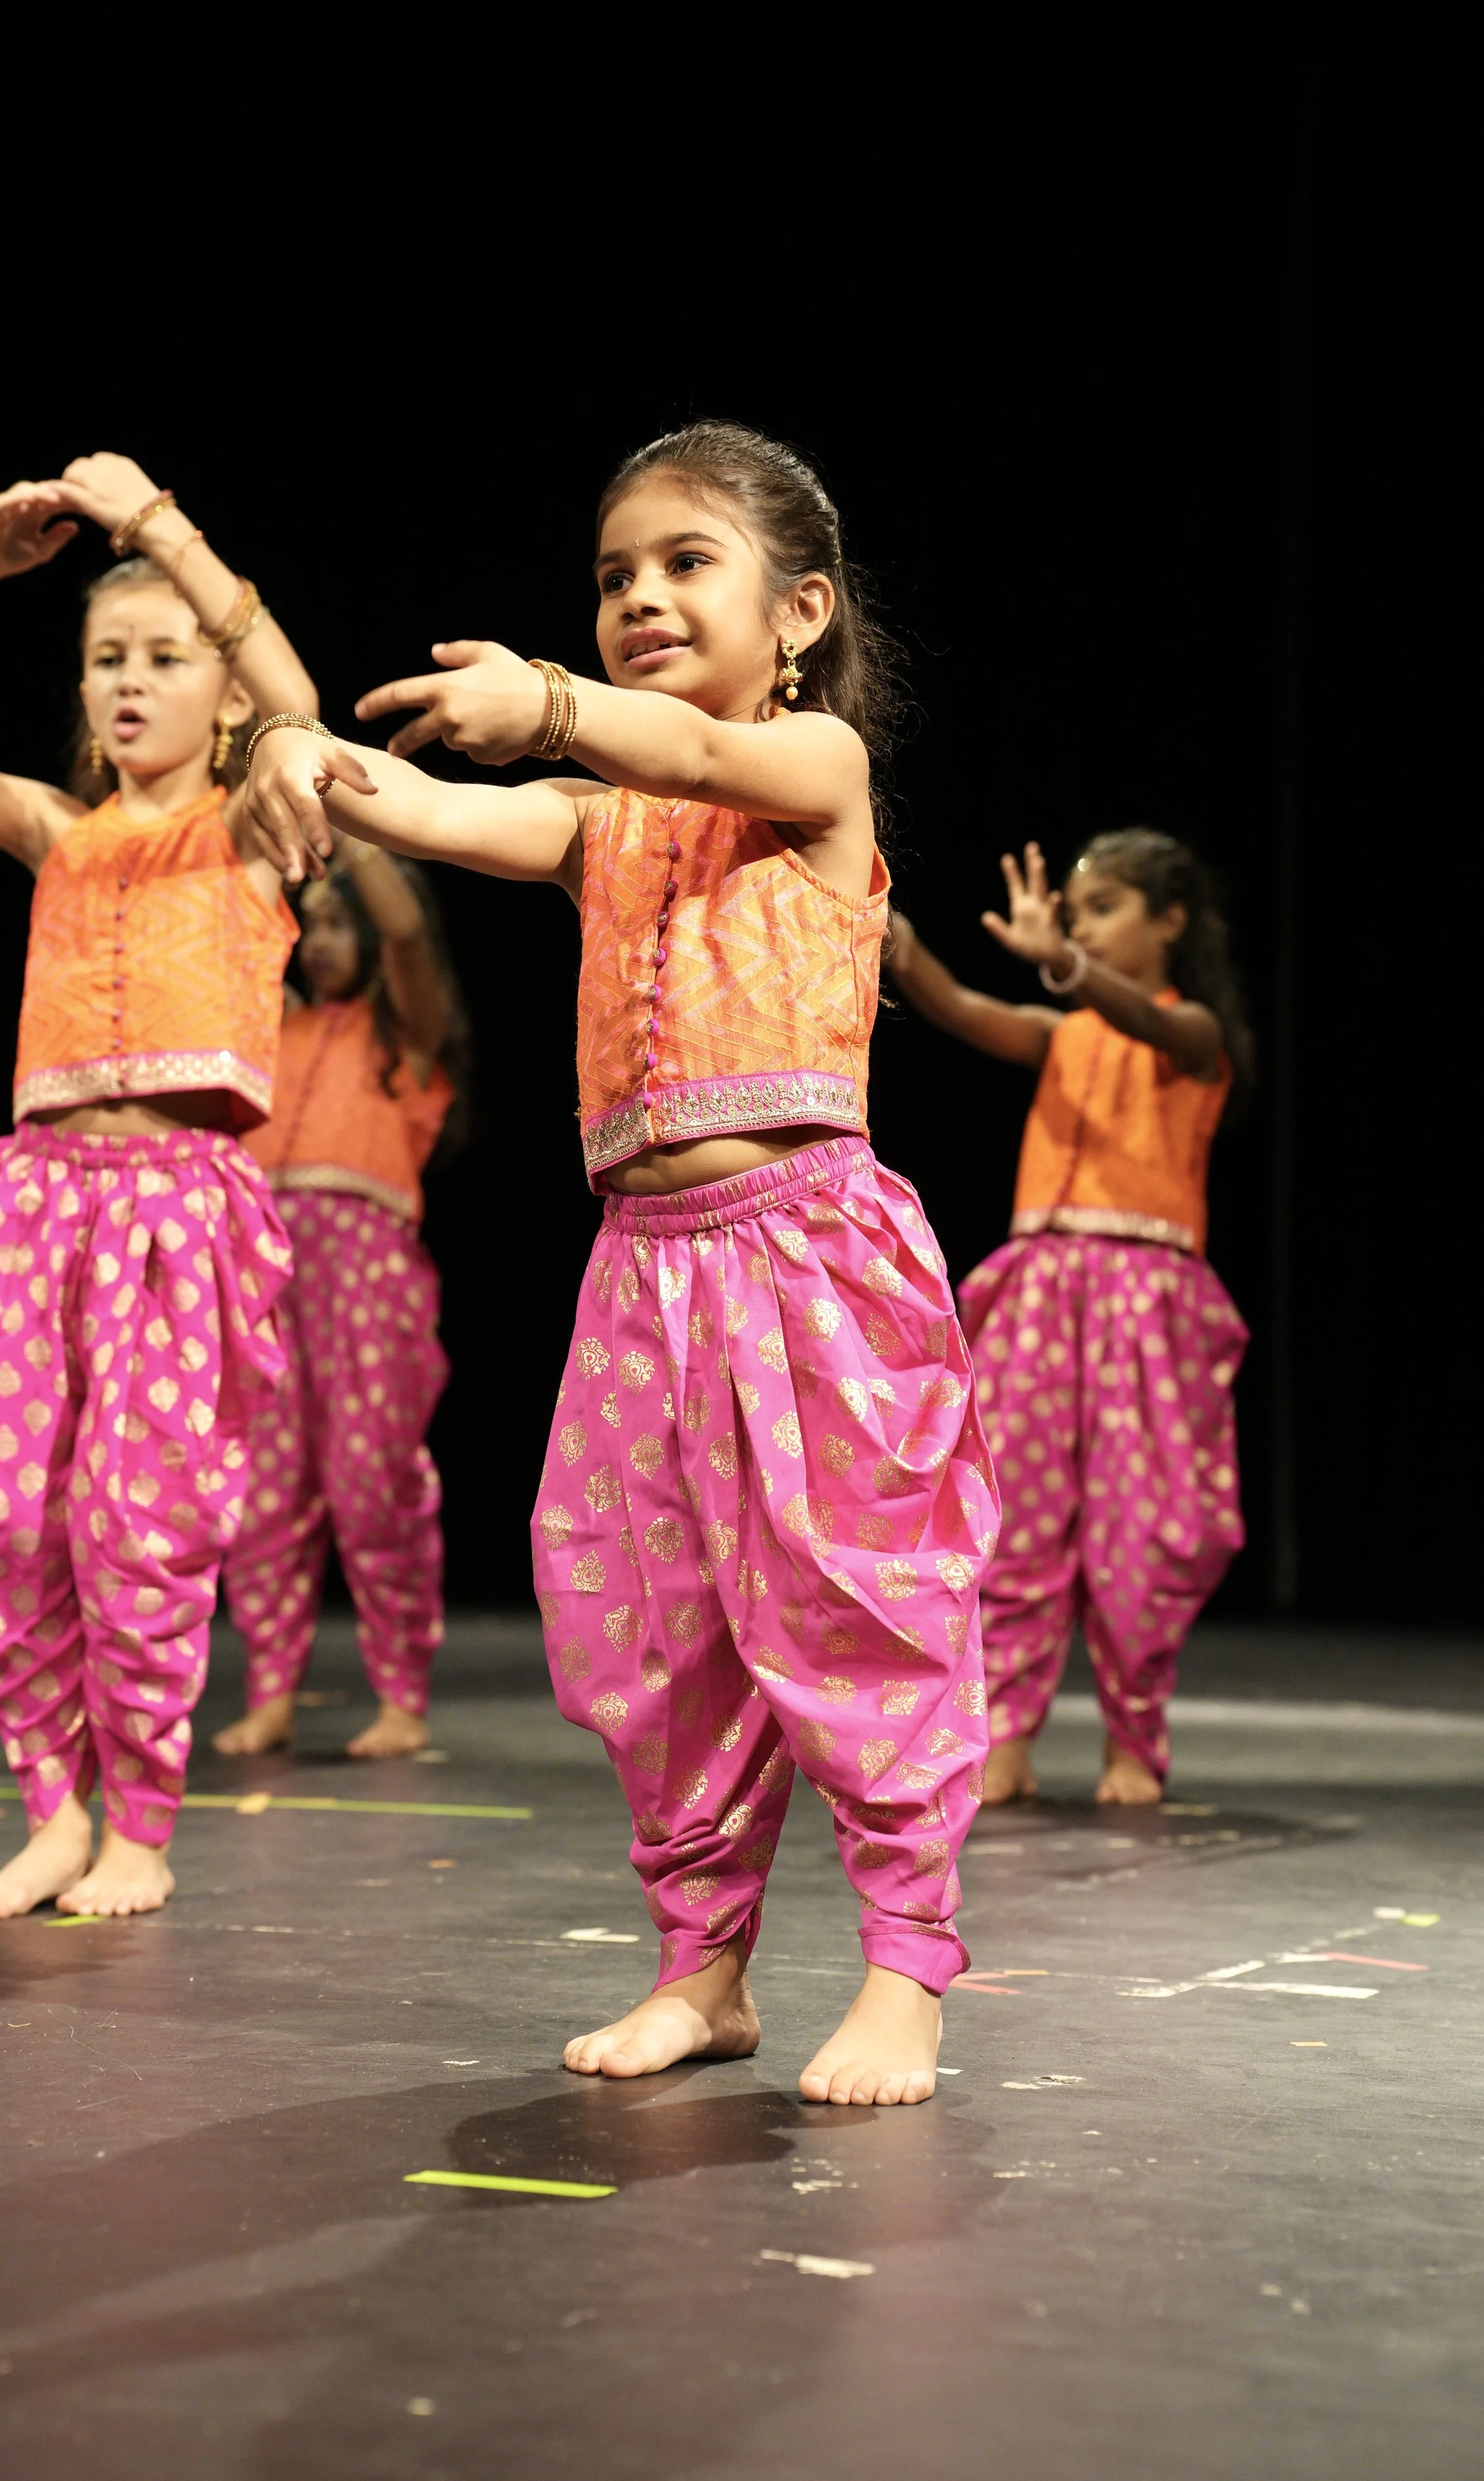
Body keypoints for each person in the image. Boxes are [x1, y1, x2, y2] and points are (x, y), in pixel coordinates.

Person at [243, 421, 999, 2107]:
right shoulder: (601, 822)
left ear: (798, 613)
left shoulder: (815, 773)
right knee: (658, 1636)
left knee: (852, 1605)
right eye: (612, 577)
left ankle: (903, 1967)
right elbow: (437, 808)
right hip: (641, 1275)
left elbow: (686, 746)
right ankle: (701, 1971)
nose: (639, 596)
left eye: (683, 564)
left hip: (804, 1259)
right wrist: (297, 749)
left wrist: (553, 702)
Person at [0, 453, 326, 1917]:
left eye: (165, 658)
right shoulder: (56, 832)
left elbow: (299, 706)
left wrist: (158, 529)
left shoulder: (250, 830)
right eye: (109, 657)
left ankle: (143, 1827)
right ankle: (53, 1807)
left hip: (176, 1206)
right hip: (32, 1203)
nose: (130, 681)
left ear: (220, 695)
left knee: (138, 1522)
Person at [888, 832, 1252, 1804]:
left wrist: (1063, 962)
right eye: (1077, 913)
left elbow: (1146, 1018)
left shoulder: (1194, 1034)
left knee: (1142, 1529)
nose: (1083, 927)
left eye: (1105, 909)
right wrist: (897, 938)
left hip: (1147, 1304)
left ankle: (1134, 1740)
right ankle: (1006, 1730)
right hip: (1043, 1297)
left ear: (1170, 921)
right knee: (1019, 1518)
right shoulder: (1062, 1035)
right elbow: (961, 1006)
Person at [214, 840, 467, 1761]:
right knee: (264, 1490)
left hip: (365, 1280)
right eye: (309, 925)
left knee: (372, 1486)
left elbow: (406, 937)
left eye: (335, 925)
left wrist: (352, 837)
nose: (317, 943)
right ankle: (271, 1693)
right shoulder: (275, 1030)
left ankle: (401, 1697)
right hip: (268, 1273)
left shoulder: (403, 1037)